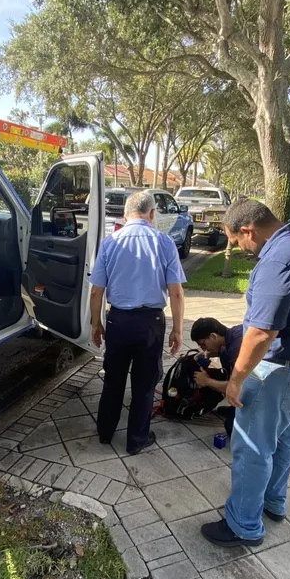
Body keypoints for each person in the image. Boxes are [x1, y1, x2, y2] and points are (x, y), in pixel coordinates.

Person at [201, 199, 290, 548]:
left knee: (252, 446)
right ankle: (274, 502)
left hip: (279, 371)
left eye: (237, 241)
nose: (240, 249)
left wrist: (236, 380)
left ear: (248, 230)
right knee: (282, 437)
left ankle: (243, 524)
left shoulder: (278, 259)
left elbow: (260, 333)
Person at [90, 190, 186, 455]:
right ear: (152, 214)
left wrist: (96, 324)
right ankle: (136, 441)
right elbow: (176, 292)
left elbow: (96, 291)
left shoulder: (111, 243)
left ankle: (105, 433)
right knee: (144, 385)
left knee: (113, 380)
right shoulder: (164, 243)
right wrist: (178, 329)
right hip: (150, 323)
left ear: (125, 213)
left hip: (118, 321)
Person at [190, 316, 243, 436]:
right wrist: (213, 354)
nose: (204, 349)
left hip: (267, 386)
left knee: (231, 429)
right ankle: (234, 409)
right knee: (223, 354)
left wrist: (207, 381)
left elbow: (239, 385)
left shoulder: (237, 349)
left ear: (213, 336)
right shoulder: (231, 335)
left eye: (203, 344)